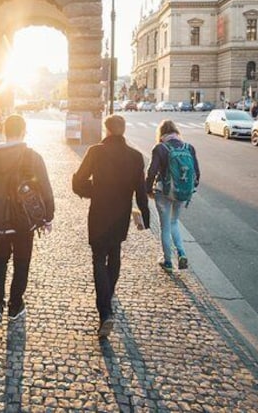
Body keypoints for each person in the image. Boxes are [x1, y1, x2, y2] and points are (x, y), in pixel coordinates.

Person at [72, 115, 151, 338]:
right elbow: (141, 191)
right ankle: (108, 295)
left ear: (107, 130)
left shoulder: (96, 152)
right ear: (123, 131)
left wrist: (93, 191)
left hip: (99, 213)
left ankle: (105, 312)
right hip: (121, 214)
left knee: (98, 257)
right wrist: (144, 216)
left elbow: (78, 182)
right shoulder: (136, 156)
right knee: (114, 253)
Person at [0, 114, 54, 326]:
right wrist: (48, 216)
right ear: (23, 131)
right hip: (24, 221)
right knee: (22, 262)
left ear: (5, 132)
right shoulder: (33, 157)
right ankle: (15, 305)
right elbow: (45, 188)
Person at [145, 120, 201, 274]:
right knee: (174, 222)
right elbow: (197, 173)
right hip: (181, 191)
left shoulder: (160, 148)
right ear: (176, 132)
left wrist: (148, 189)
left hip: (163, 192)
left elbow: (151, 172)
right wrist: (188, 188)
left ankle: (168, 261)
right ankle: (181, 253)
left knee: (165, 227)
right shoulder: (188, 147)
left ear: (161, 134)